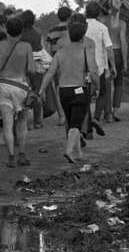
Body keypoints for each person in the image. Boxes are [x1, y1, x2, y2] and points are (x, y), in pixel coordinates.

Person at [39, 21, 99, 163]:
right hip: (80, 89)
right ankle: (69, 150)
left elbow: (50, 72)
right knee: (76, 124)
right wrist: (98, 86)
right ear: (83, 35)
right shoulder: (85, 50)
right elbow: (94, 70)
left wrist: (42, 88)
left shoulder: (61, 52)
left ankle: (78, 153)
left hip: (64, 91)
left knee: (71, 121)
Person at [0, 16, 35, 167]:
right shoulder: (26, 46)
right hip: (21, 86)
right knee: (22, 122)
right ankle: (22, 155)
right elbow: (31, 69)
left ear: (6, 29)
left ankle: (11, 156)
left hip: (3, 85)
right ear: (21, 31)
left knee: (7, 124)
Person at [85, 2, 117, 124]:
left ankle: (87, 117)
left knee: (86, 92)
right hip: (100, 66)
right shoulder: (102, 27)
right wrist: (113, 66)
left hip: (85, 65)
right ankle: (97, 117)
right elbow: (109, 49)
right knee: (102, 91)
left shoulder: (81, 26)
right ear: (98, 13)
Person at [45, 6, 72, 125]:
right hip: (72, 60)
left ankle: (62, 116)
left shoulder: (52, 31)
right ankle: (71, 113)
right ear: (69, 16)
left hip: (57, 61)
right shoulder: (72, 29)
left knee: (58, 88)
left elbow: (49, 49)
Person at [19, 10, 44, 128]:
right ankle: (37, 121)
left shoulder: (20, 35)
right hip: (36, 64)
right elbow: (40, 49)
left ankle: (26, 122)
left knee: (25, 93)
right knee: (36, 93)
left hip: (23, 66)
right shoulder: (37, 33)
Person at [105, 2, 128, 120]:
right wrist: (125, 60)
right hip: (118, 51)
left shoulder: (104, 23)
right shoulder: (122, 24)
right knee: (118, 83)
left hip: (106, 52)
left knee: (107, 83)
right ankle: (116, 110)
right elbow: (123, 42)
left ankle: (107, 112)